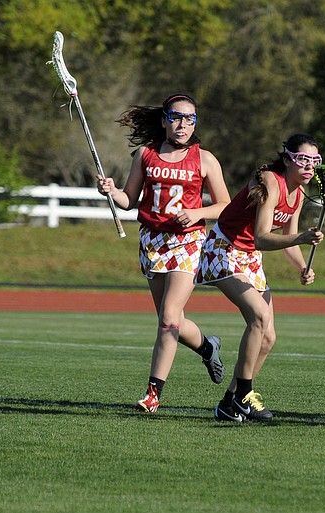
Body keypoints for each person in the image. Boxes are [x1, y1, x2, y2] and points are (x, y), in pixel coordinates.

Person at [97, 93, 231, 413]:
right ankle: (207, 346)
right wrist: (112, 192)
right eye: (176, 117)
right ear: (164, 120)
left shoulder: (205, 159)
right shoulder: (145, 154)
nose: (183, 124)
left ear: (195, 122)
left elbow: (225, 206)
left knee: (169, 318)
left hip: (187, 242)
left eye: (189, 119)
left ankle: (153, 393)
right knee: (171, 320)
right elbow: (129, 199)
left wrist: (198, 213)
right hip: (152, 243)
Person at [196, 133, 324, 422]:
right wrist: (302, 237)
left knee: (268, 338)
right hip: (223, 249)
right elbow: (263, 238)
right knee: (259, 316)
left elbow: (287, 234)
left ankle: (229, 403)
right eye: (303, 159)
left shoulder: (299, 193)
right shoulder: (269, 181)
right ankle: (244, 395)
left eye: (314, 161)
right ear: (287, 158)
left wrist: (303, 266)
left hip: (250, 258)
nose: (309, 166)